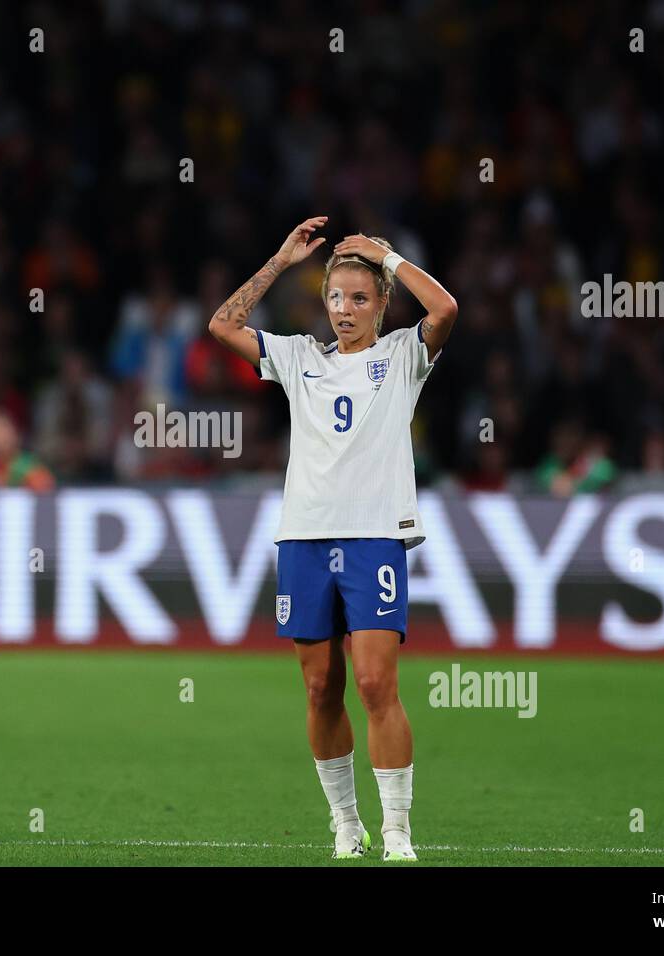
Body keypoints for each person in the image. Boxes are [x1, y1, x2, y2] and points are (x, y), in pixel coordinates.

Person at [208, 217, 457, 861]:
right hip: (305, 539)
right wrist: (281, 259)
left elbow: (446, 306)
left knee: (376, 684)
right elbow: (223, 325)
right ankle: (346, 823)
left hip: (375, 536)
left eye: (359, 298)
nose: (345, 310)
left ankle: (397, 830)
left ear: (381, 306)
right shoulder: (298, 358)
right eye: (336, 299)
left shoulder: (404, 357)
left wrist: (389, 257)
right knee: (321, 687)